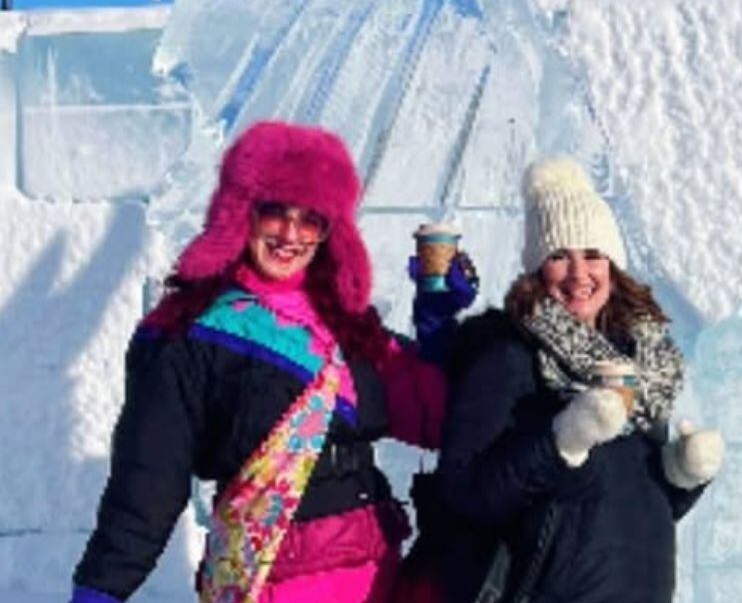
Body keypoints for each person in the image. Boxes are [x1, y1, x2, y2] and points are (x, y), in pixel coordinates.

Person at [70, 121, 474, 603]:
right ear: (241, 212)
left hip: (376, 576)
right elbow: (148, 480)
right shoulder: (192, 333)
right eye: (274, 212)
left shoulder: (347, 325)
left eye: (311, 220)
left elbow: (437, 420)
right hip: (273, 582)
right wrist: (101, 589)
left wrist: (436, 324)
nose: (290, 234)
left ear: (331, 232)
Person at [435, 157, 722, 603]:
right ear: (536, 269)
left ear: (612, 264)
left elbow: (618, 510)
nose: (578, 273)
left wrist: (679, 477)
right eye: (558, 257)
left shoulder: (639, 362)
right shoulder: (507, 355)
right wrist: (561, 443)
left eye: (592, 254)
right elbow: (465, 489)